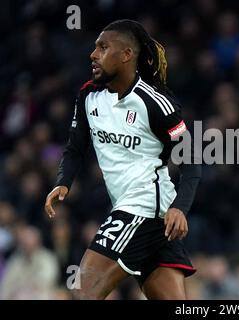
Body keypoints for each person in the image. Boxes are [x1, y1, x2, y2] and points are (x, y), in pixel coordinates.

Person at [44, 19, 201, 300]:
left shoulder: (155, 103)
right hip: (149, 217)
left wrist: (180, 207)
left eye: (103, 48)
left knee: (83, 292)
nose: (93, 55)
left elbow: (192, 157)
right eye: (94, 48)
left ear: (127, 55)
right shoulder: (89, 95)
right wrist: (63, 182)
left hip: (145, 209)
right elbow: (75, 147)